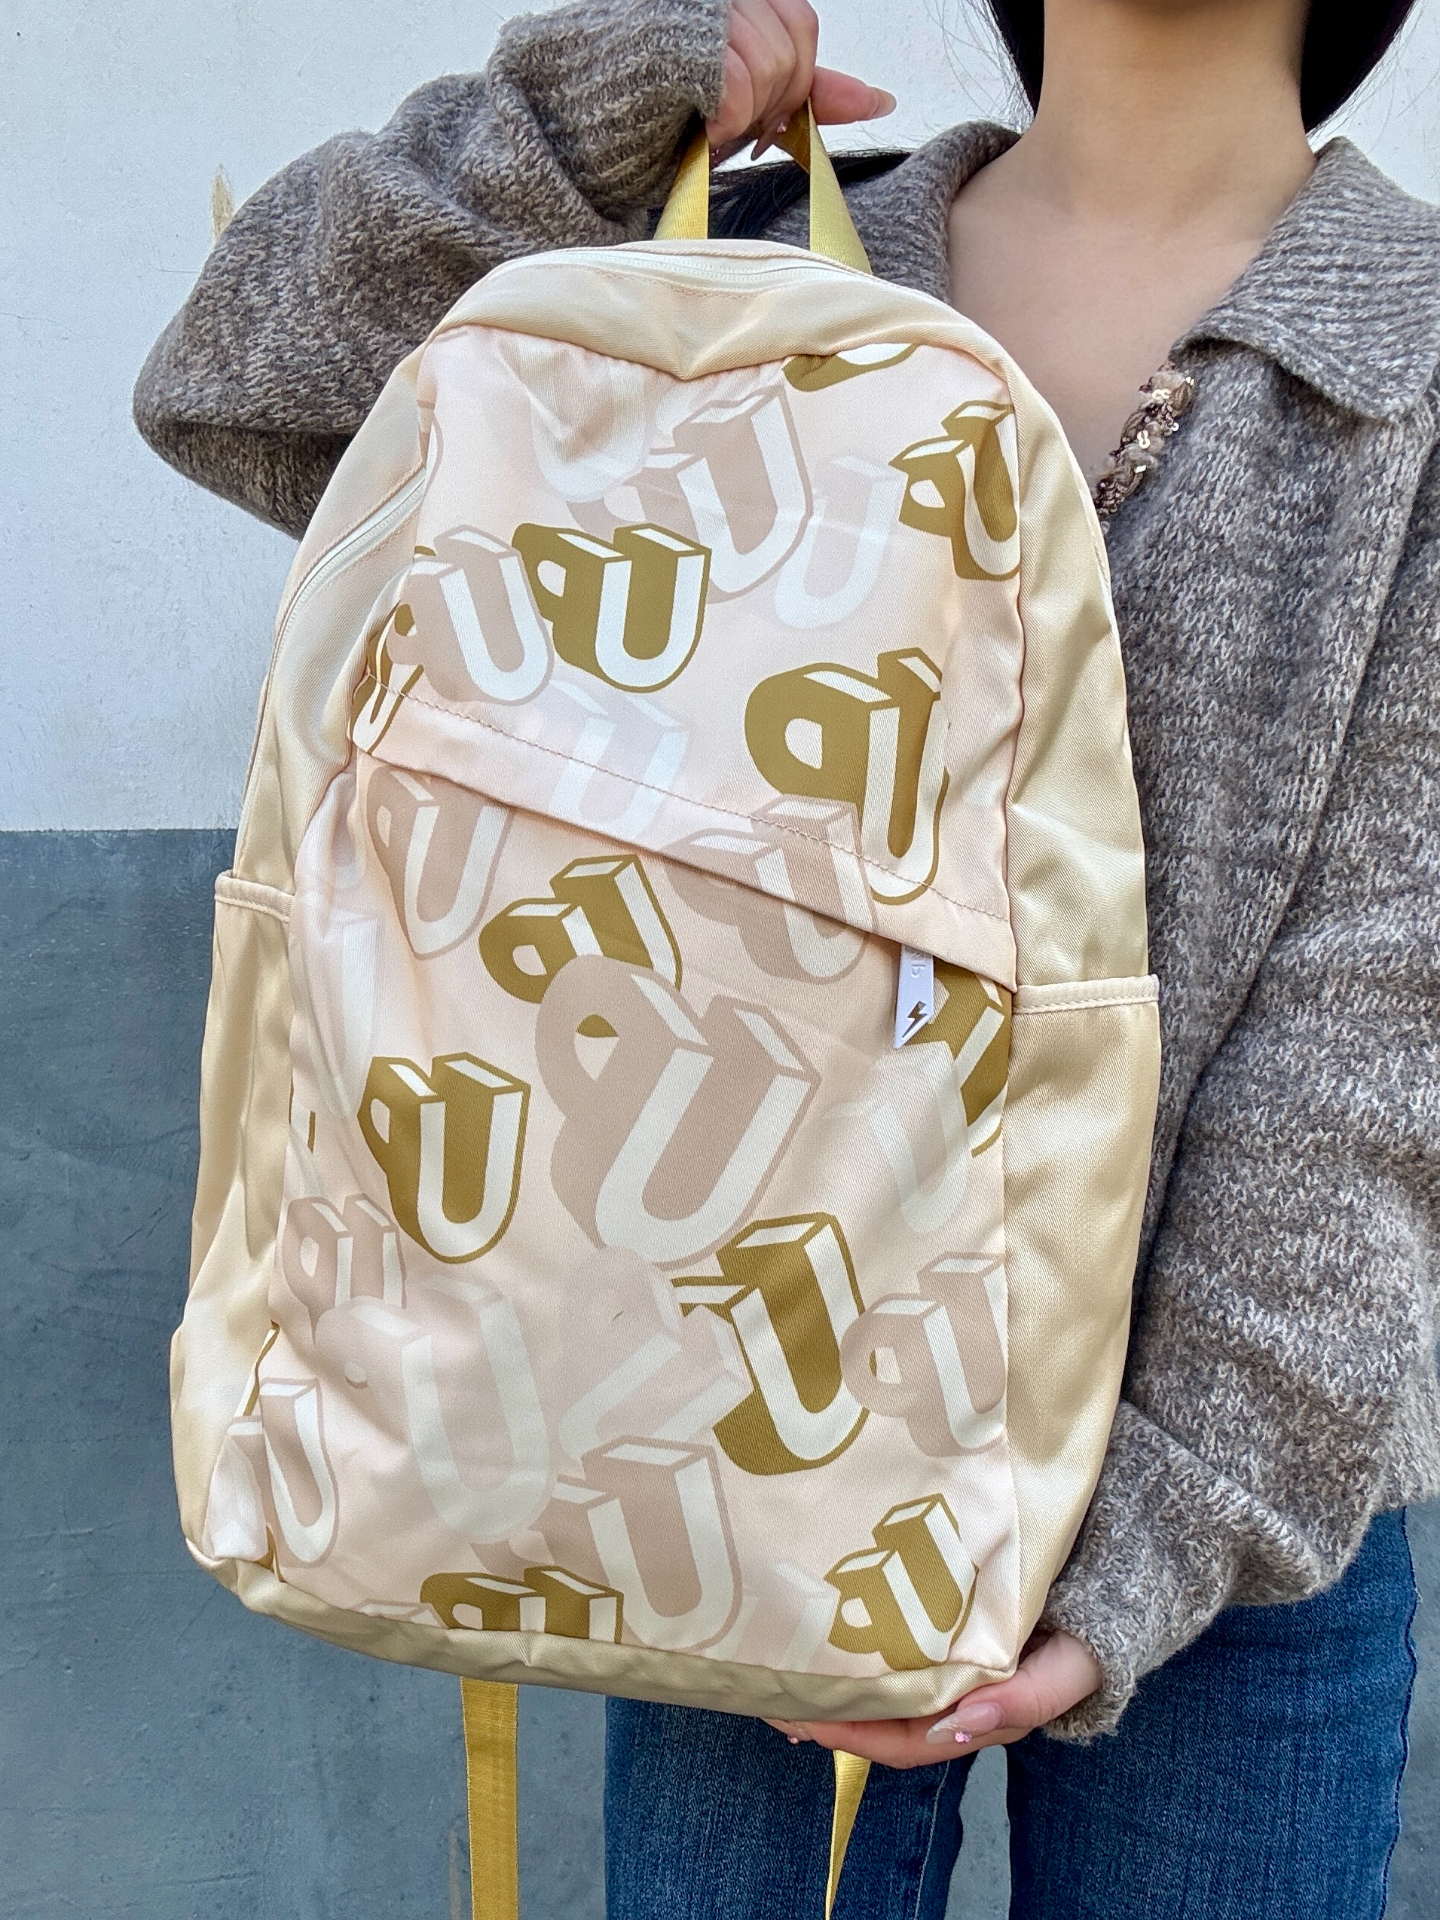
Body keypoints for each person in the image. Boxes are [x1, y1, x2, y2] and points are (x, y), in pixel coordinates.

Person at [134, 1, 1439, 1913]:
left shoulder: (1411, 355)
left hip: (1236, 1532)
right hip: (728, 1449)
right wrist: (597, 109)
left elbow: (1379, 1028)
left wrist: (1156, 1532)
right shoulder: (731, 272)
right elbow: (244, 382)